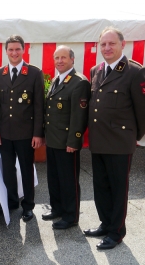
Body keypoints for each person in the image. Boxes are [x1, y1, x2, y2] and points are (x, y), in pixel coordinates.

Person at [85, 26, 145, 249]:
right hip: (99, 141)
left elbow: (144, 112)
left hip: (120, 143)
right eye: (103, 44)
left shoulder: (134, 72)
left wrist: (132, 137)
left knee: (117, 189)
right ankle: (105, 223)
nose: (107, 48)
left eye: (111, 43)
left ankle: (117, 231)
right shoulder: (96, 70)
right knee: (101, 187)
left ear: (123, 45)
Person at [0, 35, 44, 222]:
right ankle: (12, 201)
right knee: (8, 170)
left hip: (25, 133)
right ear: (6, 51)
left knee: (27, 170)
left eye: (17, 49)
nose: (14, 53)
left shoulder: (34, 73)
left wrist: (38, 133)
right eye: (10, 49)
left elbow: (39, 106)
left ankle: (28, 206)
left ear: (24, 50)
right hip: (4, 133)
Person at [43, 45, 91, 229]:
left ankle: (71, 216)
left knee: (68, 180)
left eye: (64, 57)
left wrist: (74, 141)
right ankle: (57, 209)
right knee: (54, 178)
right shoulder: (57, 79)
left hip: (66, 143)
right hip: (53, 140)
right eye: (57, 58)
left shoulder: (79, 82)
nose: (60, 61)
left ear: (72, 59)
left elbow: (79, 116)